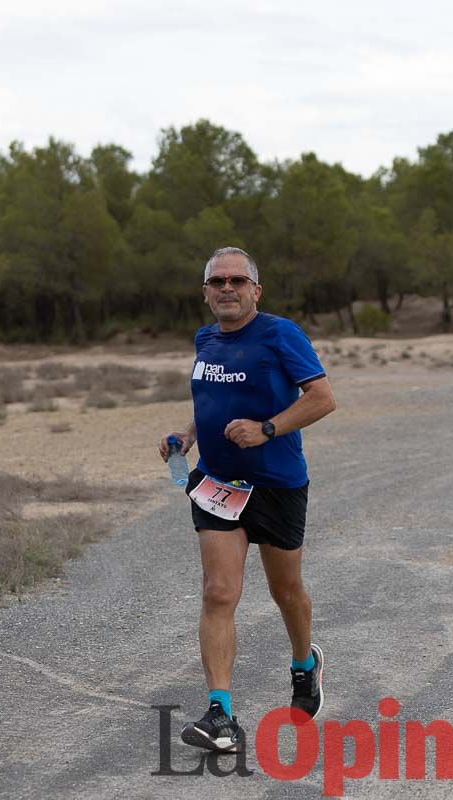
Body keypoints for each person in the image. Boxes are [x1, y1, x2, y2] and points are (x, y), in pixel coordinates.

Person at [158, 246, 336, 753]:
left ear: (256, 290)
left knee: (287, 590)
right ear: (206, 292)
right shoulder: (206, 338)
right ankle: (221, 715)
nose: (228, 288)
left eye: (238, 280)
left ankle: (306, 664)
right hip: (218, 484)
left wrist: (268, 429)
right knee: (218, 593)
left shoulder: (281, 334)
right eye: (218, 281)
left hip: (277, 483)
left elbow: (323, 398)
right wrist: (188, 435)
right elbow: (213, 401)